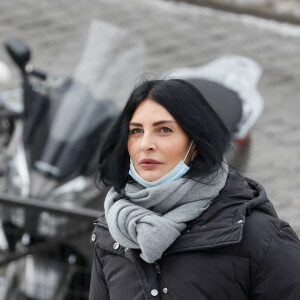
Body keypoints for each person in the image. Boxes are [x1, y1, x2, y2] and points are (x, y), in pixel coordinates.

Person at [89, 79, 300, 300]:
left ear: (195, 143)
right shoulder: (111, 233)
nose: (146, 144)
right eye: (136, 131)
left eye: (164, 129)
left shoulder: (257, 237)